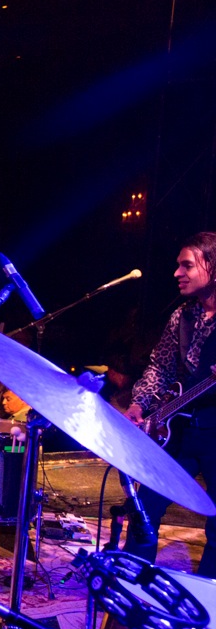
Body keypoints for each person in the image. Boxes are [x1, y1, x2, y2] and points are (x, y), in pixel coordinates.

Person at [124, 233, 216, 577]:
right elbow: (160, 366)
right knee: (144, 506)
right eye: (178, 265)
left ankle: (209, 600)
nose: (177, 272)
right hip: (179, 428)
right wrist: (139, 402)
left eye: (187, 265)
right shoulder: (182, 316)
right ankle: (131, 582)